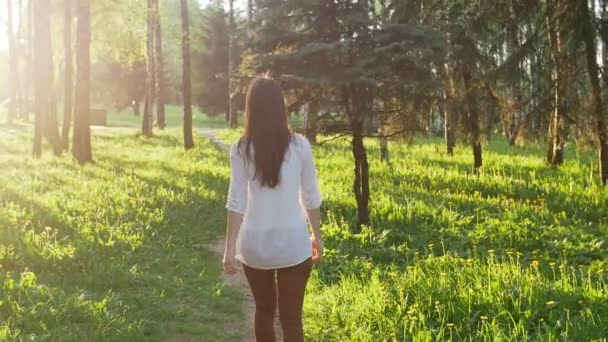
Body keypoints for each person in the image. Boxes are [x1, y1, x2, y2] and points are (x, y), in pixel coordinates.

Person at [223, 76, 323, 342]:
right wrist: (317, 237)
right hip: (294, 243)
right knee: (292, 320)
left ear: (251, 109)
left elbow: (237, 199)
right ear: (282, 107)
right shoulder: (300, 145)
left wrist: (229, 248)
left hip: (255, 245)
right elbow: (311, 197)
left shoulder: (241, 149)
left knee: (264, 312)